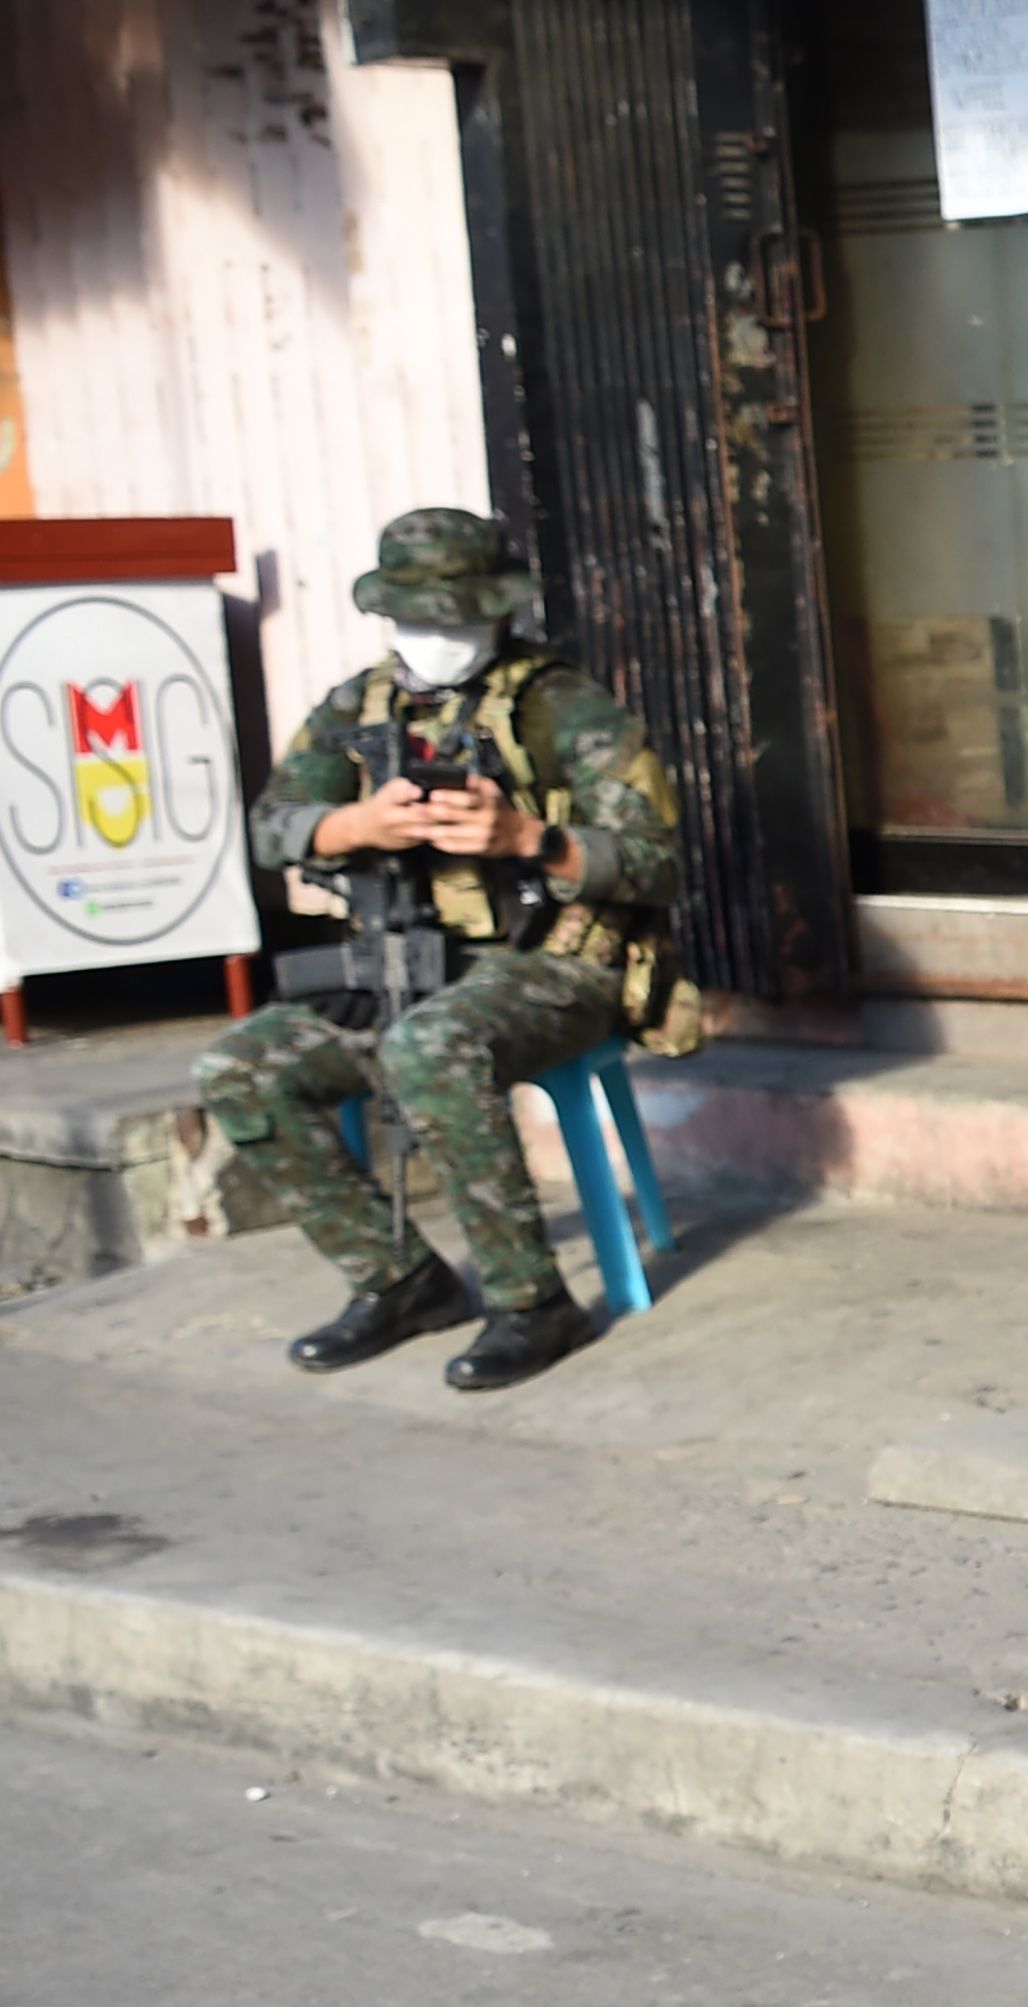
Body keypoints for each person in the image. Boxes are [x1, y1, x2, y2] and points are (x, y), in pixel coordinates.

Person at [199, 507, 686, 1392]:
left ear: (498, 611)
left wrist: (525, 839)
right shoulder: (361, 703)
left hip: (556, 966)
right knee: (243, 1067)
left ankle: (534, 1303)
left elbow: (657, 860)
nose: (437, 638)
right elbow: (271, 829)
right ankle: (399, 1280)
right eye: (418, 618)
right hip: (408, 961)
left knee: (430, 1047)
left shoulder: (560, 703)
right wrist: (355, 823)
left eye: (456, 618)